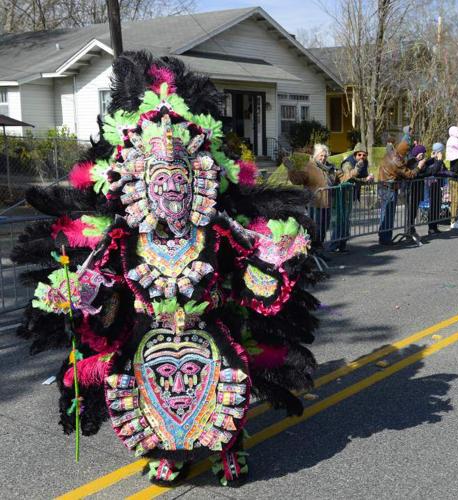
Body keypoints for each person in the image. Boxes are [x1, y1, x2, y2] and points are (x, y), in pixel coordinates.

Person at [12, 51, 322, 487]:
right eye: (160, 181)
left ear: (197, 181)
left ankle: (226, 447)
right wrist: (76, 296)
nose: (170, 191)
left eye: (179, 180)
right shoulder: (124, 237)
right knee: (142, 391)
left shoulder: (217, 231)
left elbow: (251, 281)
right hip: (146, 336)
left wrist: (277, 261)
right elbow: (104, 291)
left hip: (208, 332)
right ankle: (167, 453)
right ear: (141, 185)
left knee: (226, 383)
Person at [287, 143, 336, 248]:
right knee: (315, 229)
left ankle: (319, 250)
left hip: (327, 203)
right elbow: (297, 180)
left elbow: (338, 179)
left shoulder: (328, 168)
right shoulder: (309, 167)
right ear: (315, 155)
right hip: (314, 204)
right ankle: (313, 252)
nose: (323, 158)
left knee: (324, 228)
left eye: (325, 156)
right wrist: (290, 169)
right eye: (321, 155)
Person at [329, 143, 374, 253]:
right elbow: (348, 178)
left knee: (346, 221)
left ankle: (342, 245)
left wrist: (369, 179)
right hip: (341, 195)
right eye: (359, 154)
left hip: (351, 195)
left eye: (364, 155)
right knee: (340, 221)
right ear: (355, 154)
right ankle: (333, 246)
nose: (362, 157)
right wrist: (365, 180)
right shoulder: (348, 163)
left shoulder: (364, 163)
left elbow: (362, 177)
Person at [377, 141, 423, 245]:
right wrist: (419, 166)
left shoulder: (391, 154)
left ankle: (383, 237)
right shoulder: (396, 160)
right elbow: (409, 174)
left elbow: (403, 164)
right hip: (389, 188)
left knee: (385, 213)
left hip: (383, 186)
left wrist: (415, 159)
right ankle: (385, 239)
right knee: (388, 214)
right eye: (407, 152)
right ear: (404, 151)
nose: (407, 154)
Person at [419, 142, 455, 234]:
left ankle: (435, 227)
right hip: (431, 187)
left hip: (438, 186)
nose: (442, 153)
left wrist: (452, 174)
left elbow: (444, 170)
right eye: (441, 151)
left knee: (437, 207)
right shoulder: (430, 161)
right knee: (433, 207)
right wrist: (437, 160)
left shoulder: (440, 161)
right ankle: (431, 228)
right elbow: (434, 171)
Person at [404, 144, 428, 239]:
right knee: (410, 212)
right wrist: (420, 163)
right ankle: (409, 231)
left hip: (417, 189)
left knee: (413, 212)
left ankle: (411, 230)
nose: (424, 156)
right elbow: (421, 171)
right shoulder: (412, 162)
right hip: (412, 190)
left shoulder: (417, 161)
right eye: (423, 154)